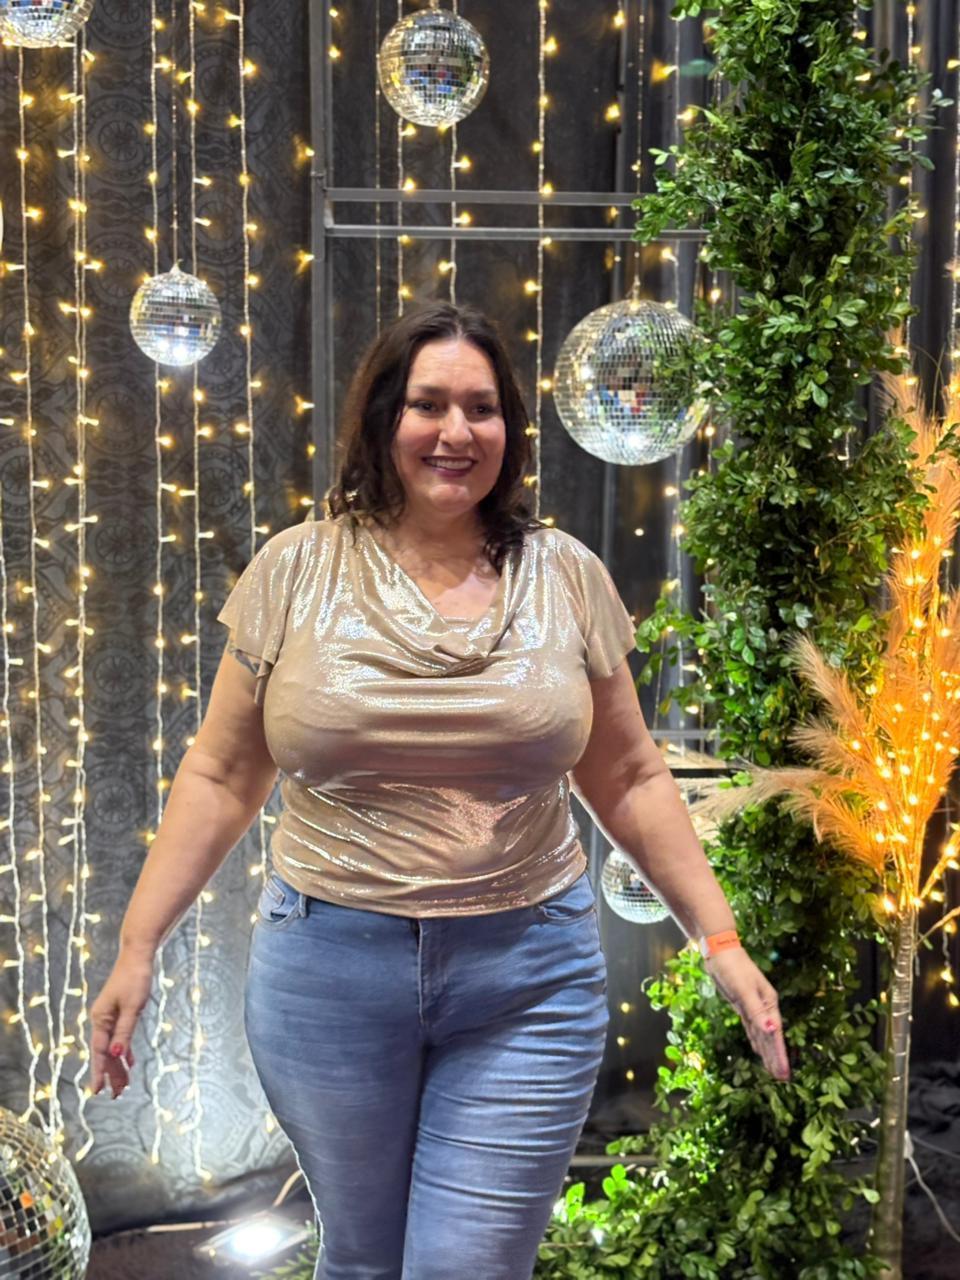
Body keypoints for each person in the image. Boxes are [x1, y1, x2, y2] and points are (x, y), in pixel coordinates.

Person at [89, 301, 790, 1279]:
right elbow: (221, 771)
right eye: (429, 404)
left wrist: (720, 939)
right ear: (384, 418)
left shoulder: (565, 576)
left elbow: (630, 775)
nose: (457, 431)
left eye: (482, 408)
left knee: (466, 1264)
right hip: (328, 972)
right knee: (363, 1257)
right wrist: (137, 947)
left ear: (510, 429)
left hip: (528, 977)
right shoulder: (295, 570)